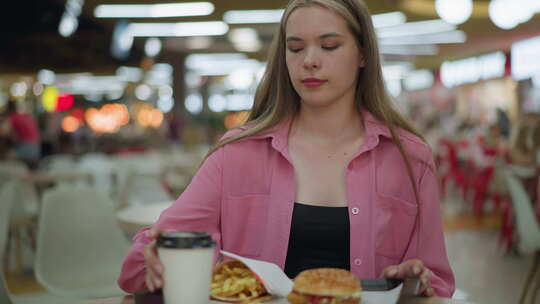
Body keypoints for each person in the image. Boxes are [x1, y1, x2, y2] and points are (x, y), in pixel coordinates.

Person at [118, 0, 455, 298]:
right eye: (295, 48)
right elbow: (134, 271)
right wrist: (157, 254)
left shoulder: (409, 158)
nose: (309, 61)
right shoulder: (237, 154)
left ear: (364, 53)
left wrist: (411, 284)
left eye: (329, 46)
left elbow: (437, 283)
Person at [2, 99, 40, 169]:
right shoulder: (27, 117)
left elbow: (3, 132)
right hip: (36, 149)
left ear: (8, 109)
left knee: (4, 158)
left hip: (25, 149)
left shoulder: (13, 118)